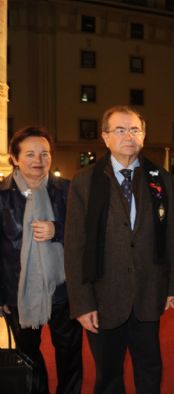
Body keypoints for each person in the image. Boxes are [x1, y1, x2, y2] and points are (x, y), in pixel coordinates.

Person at [64, 106, 174, 394]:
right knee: (108, 376)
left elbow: (172, 236)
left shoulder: (160, 178)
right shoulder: (85, 181)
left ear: (143, 136)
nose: (128, 136)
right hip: (103, 296)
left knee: (150, 370)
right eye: (120, 130)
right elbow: (75, 245)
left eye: (135, 130)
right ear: (105, 137)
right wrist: (82, 303)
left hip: (148, 291)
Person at [0, 126, 82, 394]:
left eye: (45, 154)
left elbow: (87, 235)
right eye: (31, 154)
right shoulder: (2, 195)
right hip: (18, 292)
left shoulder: (68, 190)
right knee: (28, 355)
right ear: (14, 158)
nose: (39, 160)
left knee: (69, 355)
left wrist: (57, 230)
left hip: (64, 290)